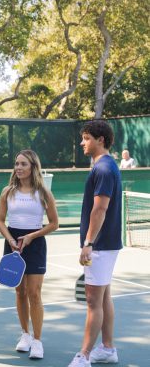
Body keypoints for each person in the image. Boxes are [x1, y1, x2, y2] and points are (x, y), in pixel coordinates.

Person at [68, 120, 122, 367]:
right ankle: (108, 348)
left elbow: (99, 209)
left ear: (100, 140)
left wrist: (88, 242)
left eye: (86, 138)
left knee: (93, 301)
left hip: (100, 246)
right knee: (104, 296)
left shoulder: (103, 169)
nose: (82, 142)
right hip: (106, 244)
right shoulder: (107, 166)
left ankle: (84, 356)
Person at [0, 149, 59, 360]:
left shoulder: (44, 193)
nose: (19, 168)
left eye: (23, 164)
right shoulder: (7, 192)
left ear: (33, 167)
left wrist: (32, 236)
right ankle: (25, 335)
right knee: (20, 292)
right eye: (17, 164)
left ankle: (38, 341)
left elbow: (54, 224)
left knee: (34, 293)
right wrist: (11, 240)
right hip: (13, 242)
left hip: (35, 242)